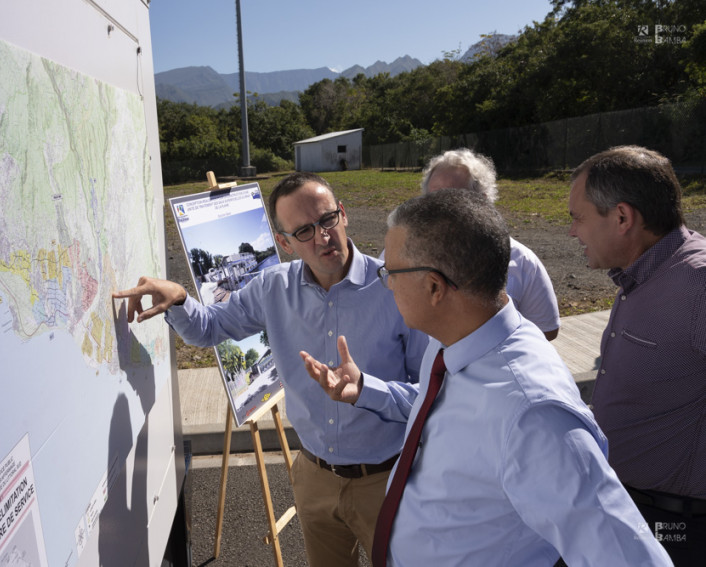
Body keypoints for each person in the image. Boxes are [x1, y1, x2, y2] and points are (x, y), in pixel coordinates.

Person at [301, 188, 672, 566]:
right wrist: (365, 389)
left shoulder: (533, 415)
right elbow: (439, 409)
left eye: (391, 272)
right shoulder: (457, 338)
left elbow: (630, 556)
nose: (388, 284)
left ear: (434, 287)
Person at [113, 172, 427, 566]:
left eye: (328, 220)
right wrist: (178, 301)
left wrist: (367, 389)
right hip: (314, 476)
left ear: (343, 215)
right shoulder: (272, 288)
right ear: (284, 243)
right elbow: (209, 328)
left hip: (386, 481)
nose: (322, 238)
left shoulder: (393, 289)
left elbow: (429, 396)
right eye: (304, 231)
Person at [568, 145, 706, 565]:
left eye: (578, 218)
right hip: (630, 507)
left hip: (676, 528)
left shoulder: (697, 285)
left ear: (623, 218)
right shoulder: (642, 273)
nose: (573, 233)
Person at [420, 148, 560, 340]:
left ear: (483, 201)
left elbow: (547, 330)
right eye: (434, 198)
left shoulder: (520, 260)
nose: (443, 207)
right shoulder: (400, 256)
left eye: (455, 197)